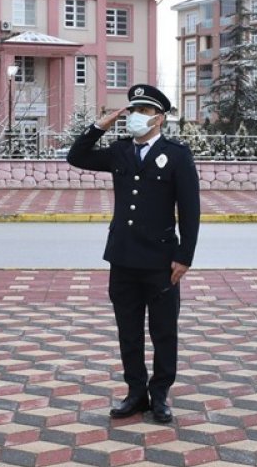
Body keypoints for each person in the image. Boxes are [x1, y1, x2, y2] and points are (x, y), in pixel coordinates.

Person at [67, 84, 200, 424]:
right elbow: (76, 156)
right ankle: (135, 393)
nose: (135, 117)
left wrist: (184, 256)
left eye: (143, 111)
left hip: (160, 261)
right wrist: (100, 126)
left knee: (163, 331)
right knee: (129, 331)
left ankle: (160, 396)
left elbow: (190, 210)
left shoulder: (177, 154)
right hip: (123, 258)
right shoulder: (120, 151)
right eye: (132, 111)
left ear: (159, 118)